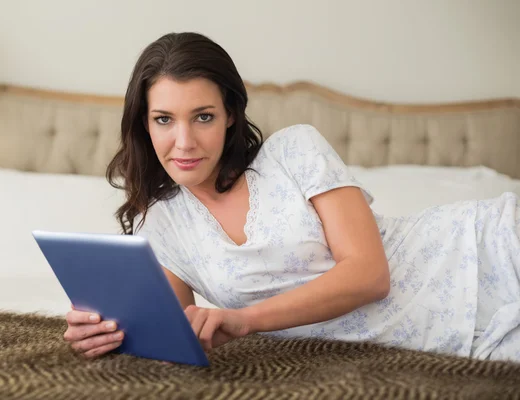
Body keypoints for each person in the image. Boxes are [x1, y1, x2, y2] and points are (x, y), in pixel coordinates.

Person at [63, 32, 520, 363]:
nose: (183, 142)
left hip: (487, 252)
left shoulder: (293, 150)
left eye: (202, 116)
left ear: (230, 116)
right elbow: (170, 334)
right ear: (144, 124)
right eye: (164, 119)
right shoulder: (162, 224)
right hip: (458, 342)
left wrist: (247, 319)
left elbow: (369, 275)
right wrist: (103, 333)